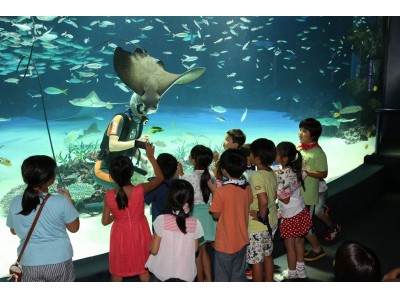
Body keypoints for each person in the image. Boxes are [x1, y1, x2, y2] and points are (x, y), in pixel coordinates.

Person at [6, 155, 79, 282]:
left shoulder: (15, 202)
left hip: (30, 263)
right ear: (50, 179)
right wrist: (70, 202)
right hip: (59, 260)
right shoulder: (61, 201)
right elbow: (74, 228)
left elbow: (13, 231)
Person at [101, 142, 164, 282]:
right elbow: (160, 178)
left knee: (118, 270)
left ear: (111, 175)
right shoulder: (140, 190)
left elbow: (105, 221)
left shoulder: (108, 195)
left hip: (120, 234)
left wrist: (117, 216)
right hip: (140, 231)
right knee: (143, 267)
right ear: (131, 172)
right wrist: (151, 157)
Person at [145, 179, 204, 282]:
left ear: (169, 199)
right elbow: (195, 249)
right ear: (191, 201)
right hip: (184, 275)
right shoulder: (195, 223)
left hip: (162, 275)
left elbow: (153, 250)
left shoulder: (162, 220)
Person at [209, 148, 253, 282]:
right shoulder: (247, 187)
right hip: (242, 240)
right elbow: (249, 201)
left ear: (224, 170)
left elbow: (216, 214)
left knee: (222, 277)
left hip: (225, 243)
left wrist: (214, 191)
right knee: (238, 275)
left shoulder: (222, 192)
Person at [93, 92, 152, 190]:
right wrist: (136, 142)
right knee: (124, 190)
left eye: (148, 110)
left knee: (121, 195)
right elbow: (112, 145)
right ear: (136, 105)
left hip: (119, 170)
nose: (145, 113)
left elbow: (131, 150)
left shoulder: (138, 123)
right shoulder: (119, 119)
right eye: (144, 109)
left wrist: (148, 162)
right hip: (103, 168)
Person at [273, 142, 313, 281]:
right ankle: (301, 270)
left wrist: (275, 188)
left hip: (290, 214)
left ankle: (291, 272)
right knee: (299, 242)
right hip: (301, 210)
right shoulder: (296, 169)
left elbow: (284, 200)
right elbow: (304, 173)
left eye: (277, 153)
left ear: (284, 158)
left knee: (289, 246)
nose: (274, 154)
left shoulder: (282, 176)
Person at [181, 145, 216, 282]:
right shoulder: (211, 176)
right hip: (208, 215)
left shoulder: (187, 177)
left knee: (198, 253)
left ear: (194, 160)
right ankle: (208, 280)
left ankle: (200, 282)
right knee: (204, 251)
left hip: (195, 216)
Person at [246, 138, 278, 282]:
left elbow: (263, 199)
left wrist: (260, 216)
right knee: (267, 255)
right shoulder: (271, 172)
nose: (250, 156)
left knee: (256, 260)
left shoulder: (257, 176)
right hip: (271, 221)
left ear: (257, 158)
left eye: (251, 153)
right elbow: (274, 195)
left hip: (258, 225)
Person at [298, 118, 329, 261]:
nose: (300, 133)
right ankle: (301, 248)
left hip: (309, 196)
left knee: (306, 225)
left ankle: (318, 249)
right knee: (299, 223)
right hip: (297, 194)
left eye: (304, 131)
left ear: (313, 135)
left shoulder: (318, 152)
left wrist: (307, 172)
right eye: (300, 130)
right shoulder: (298, 148)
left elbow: (323, 173)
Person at [144, 153, 183, 229]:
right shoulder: (180, 186)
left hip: (159, 228)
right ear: (175, 169)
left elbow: (143, 202)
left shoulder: (155, 187)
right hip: (176, 226)